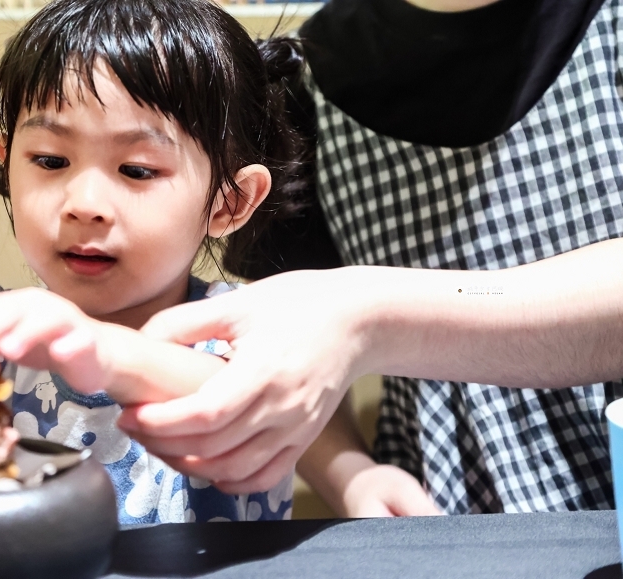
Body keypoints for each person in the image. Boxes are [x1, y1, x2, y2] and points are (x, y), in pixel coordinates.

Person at [116, 0, 623, 517]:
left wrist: (370, 314)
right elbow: (287, 352)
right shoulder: (304, 81)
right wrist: (351, 473)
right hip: (440, 506)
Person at [0, 0, 306, 524]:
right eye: (51, 161)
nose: (84, 203)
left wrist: (97, 348)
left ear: (229, 201)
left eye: (137, 169)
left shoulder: (241, 328)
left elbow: (247, 403)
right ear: (8, 165)